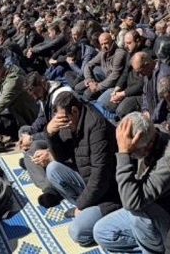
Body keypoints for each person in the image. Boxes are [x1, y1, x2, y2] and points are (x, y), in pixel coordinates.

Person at [91, 113, 170, 254]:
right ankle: (148, 242)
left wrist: (123, 155)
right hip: (145, 205)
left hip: (166, 216)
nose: (129, 154)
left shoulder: (168, 160)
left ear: (148, 145)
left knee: (137, 213)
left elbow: (131, 202)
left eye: (131, 152)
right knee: (101, 232)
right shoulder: (149, 136)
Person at [44, 92, 120, 246]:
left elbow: (101, 178)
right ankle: (86, 207)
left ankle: (96, 213)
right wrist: (50, 134)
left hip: (109, 193)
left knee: (77, 232)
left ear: (74, 111)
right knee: (53, 168)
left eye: (64, 119)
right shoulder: (70, 121)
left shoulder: (97, 127)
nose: (62, 123)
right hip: (88, 181)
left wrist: (80, 205)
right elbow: (61, 158)